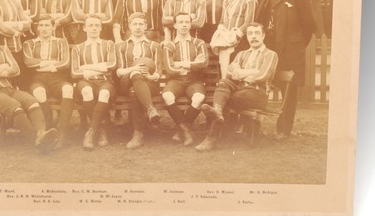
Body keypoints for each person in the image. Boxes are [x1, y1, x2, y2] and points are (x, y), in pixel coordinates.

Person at [0, 17, 59, 151]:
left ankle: (41, 134)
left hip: (10, 90)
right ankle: (36, 139)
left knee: (32, 101)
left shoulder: (3, 49)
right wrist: (4, 67)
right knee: (15, 106)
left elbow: (16, 70)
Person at [256, 0, 316, 140]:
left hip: (290, 50)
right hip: (269, 48)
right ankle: (254, 126)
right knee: (260, 84)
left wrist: (295, 44)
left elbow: (309, 26)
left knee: (288, 90)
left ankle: (283, 129)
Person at [195, 22, 278, 151]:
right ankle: (217, 111)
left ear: (263, 36)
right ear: (247, 37)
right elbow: (229, 73)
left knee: (227, 99)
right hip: (240, 91)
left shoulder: (270, 54)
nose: (253, 36)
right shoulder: (241, 54)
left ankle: (212, 137)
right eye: (250, 33)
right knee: (223, 83)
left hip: (257, 94)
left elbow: (262, 76)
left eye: (257, 33)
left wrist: (239, 73)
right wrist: (251, 72)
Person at [22, 15, 75, 149]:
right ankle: (49, 129)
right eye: (41, 25)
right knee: (39, 92)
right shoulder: (29, 43)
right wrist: (51, 63)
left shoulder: (61, 41)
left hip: (58, 79)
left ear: (53, 27)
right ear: (37, 28)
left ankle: (63, 133)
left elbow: (65, 62)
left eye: (47, 25)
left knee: (68, 90)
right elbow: (28, 62)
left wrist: (42, 65)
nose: (44, 29)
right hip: (38, 79)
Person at [116, 12, 163, 149]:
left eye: (141, 24)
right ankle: (150, 109)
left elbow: (158, 71)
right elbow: (119, 71)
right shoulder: (122, 46)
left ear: (145, 26)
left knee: (134, 93)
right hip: (125, 82)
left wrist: (149, 76)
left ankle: (138, 134)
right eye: (135, 24)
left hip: (149, 84)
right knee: (135, 76)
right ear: (129, 26)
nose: (138, 27)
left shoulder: (154, 46)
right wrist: (134, 69)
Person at [161, 12, 208, 146]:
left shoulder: (199, 43)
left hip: (194, 80)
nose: (184, 25)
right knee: (167, 95)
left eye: (186, 22)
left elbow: (203, 63)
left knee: (198, 98)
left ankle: (180, 130)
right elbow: (169, 69)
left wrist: (182, 64)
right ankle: (186, 131)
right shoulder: (169, 45)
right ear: (175, 25)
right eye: (180, 22)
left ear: (190, 24)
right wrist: (193, 63)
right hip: (176, 81)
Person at [71, 15, 117, 150]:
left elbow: (112, 65)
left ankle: (91, 132)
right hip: (85, 82)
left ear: (101, 28)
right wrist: (102, 67)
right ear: (84, 28)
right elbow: (74, 73)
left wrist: (85, 67)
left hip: (105, 81)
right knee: (87, 91)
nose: (94, 28)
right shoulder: (78, 48)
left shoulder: (108, 44)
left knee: (104, 93)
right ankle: (100, 130)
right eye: (90, 25)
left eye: (97, 25)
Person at [98, 0, 130, 124]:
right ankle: (104, 111)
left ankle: (117, 111)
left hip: (117, 33)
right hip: (99, 33)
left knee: (116, 70)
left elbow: (124, 14)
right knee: (102, 69)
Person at [210, 0, 257, 79]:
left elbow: (249, 24)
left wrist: (234, 36)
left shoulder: (250, 0)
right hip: (226, 42)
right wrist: (222, 33)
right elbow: (222, 21)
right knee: (224, 72)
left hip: (241, 44)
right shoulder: (228, 1)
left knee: (236, 73)